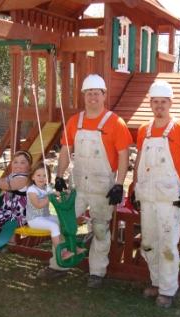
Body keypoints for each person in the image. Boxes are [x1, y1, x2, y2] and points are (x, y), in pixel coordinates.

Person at [51, 74, 133, 287]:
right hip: (78, 186)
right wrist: (59, 176)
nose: (92, 97)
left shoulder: (115, 123)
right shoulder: (74, 121)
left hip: (102, 188)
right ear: (84, 96)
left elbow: (123, 155)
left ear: (104, 95)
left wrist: (119, 184)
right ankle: (58, 264)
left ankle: (97, 272)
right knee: (64, 224)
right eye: (89, 94)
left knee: (99, 229)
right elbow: (66, 150)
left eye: (96, 93)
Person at [133, 80, 180, 308]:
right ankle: (156, 282)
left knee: (168, 244)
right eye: (155, 102)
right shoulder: (144, 130)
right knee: (149, 242)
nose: (159, 106)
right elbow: (140, 160)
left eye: (163, 102)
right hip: (148, 197)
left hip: (169, 199)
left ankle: (168, 290)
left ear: (170, 103)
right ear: (150, 104)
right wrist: (134, 187)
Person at [26, 162, 84, 264]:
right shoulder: (31, 190)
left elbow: (55, 194)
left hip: (45, 217)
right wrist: (50, 197)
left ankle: (72, 247)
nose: (41, 178)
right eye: (38, 175)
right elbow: (38, 205)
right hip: (34, 220)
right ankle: (61, 252)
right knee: (54, 226)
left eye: (45, 176)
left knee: (64, 221)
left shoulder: (46, 188)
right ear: (32, 177)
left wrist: (64, 193)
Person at [0, 150, 32, 248]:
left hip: (18, 215)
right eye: (15, 162)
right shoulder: (13, 175)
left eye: (22, 162)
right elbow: (1, 182)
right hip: (9, 210)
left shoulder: (23, 179)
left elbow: (3, 184)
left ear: (29, 166)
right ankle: (9, 241)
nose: (18, 165)